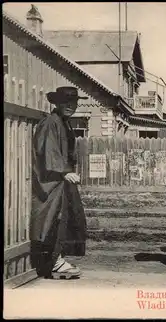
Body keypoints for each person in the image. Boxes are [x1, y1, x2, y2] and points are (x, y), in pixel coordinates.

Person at [30, 86, 88, 280]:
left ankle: (58, 258)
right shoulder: (50, 123)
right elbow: (49, 151)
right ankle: (53, 263)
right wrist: (64, 171)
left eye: (73, 103)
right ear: (57, 103)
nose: (70, 106)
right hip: (51, 181)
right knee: (51, 220)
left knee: (65, 219)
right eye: (66, 103)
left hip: (61, 180)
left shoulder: (64, 123)